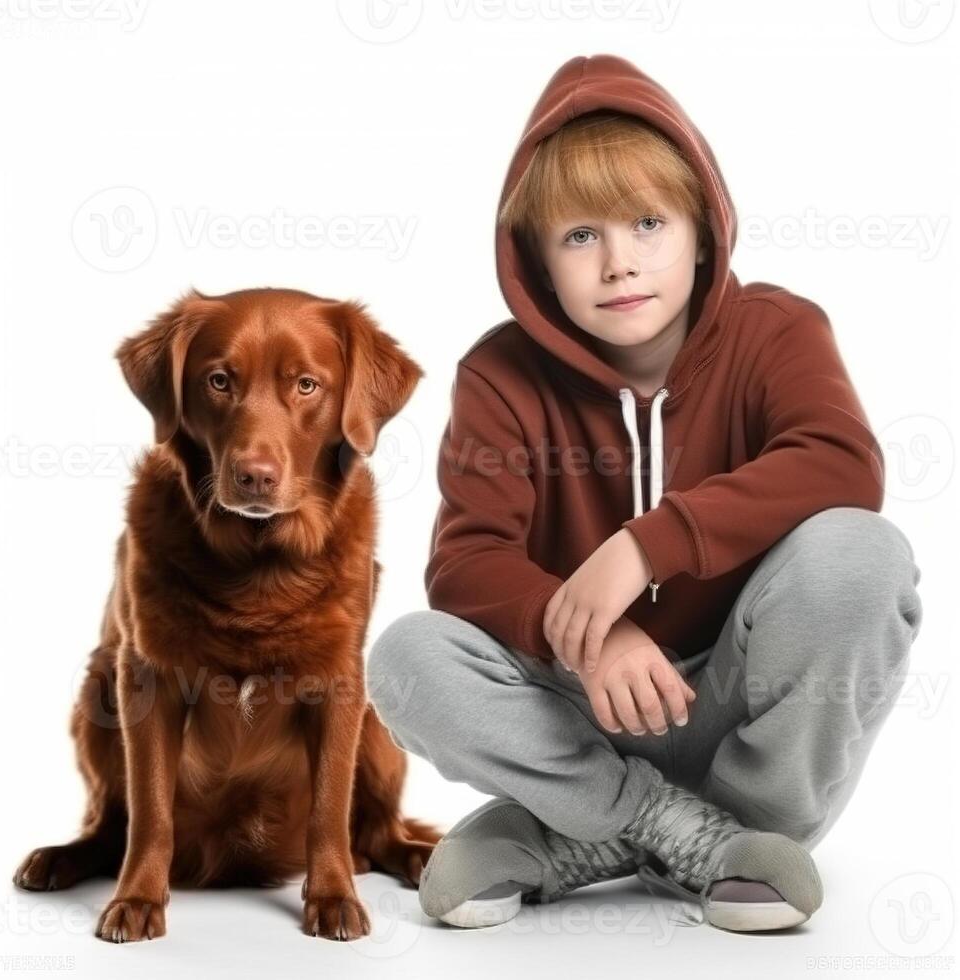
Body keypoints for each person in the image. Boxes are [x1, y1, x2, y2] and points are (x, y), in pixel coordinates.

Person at [365, 53, 922, 934]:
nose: (620, 263)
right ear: (539, 264)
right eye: (581, 236)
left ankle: (673, 829)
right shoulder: (500, 373)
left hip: (740, 694)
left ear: (702, 230)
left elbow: (841, 461)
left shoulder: (777, 330)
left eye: (648, 223)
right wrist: (587, 636)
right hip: (578, 713)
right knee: (405, 657)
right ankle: (674, 831)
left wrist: (643, 547)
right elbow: (467, 563)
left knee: (862, 554)